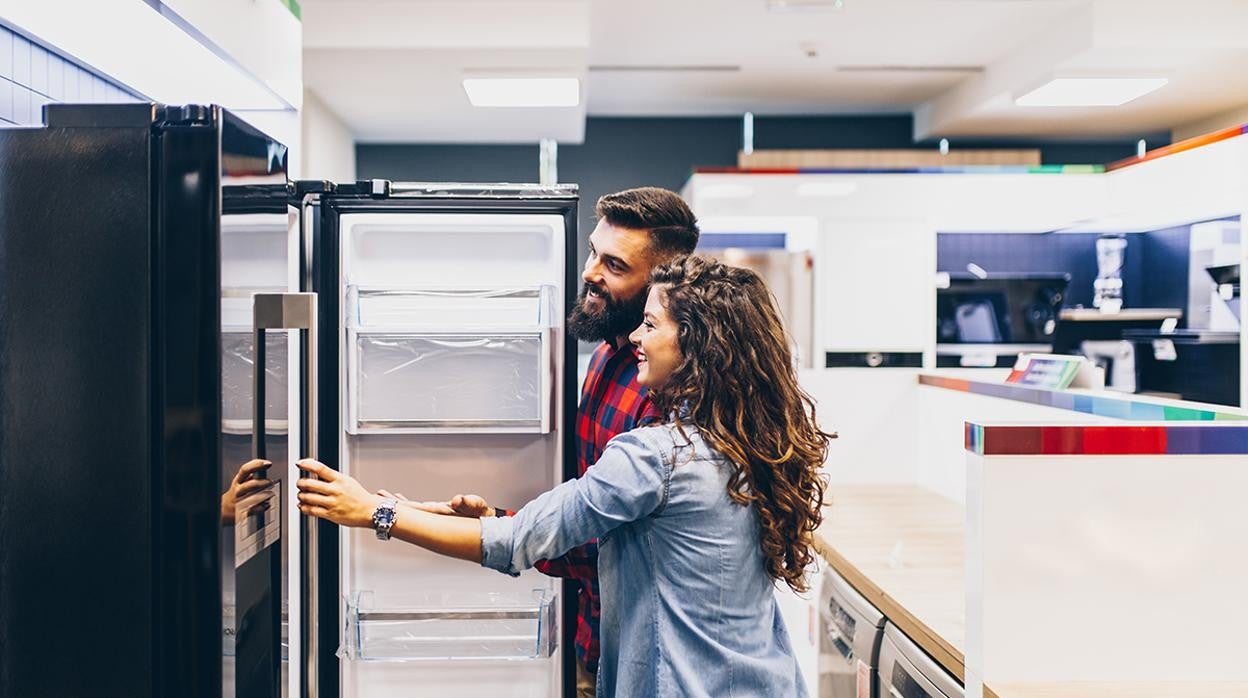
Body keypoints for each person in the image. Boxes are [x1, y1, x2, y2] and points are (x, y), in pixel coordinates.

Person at [296, 255, 833, 697]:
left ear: (696, 344)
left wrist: (377, 514)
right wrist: (439, 511)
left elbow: (515, 543)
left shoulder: (656, 457)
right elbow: (582, 528)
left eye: (651, 324)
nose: (636, 339)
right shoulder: (752, 443)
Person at [389, 186, 700, 697]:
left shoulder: (663, 392)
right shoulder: (603, 357)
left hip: (649, 652)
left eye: (615, 266)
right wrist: (496, 521)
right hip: (594, 633)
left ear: (659, 282)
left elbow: (605, 536)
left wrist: (493, 529)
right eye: (593, 252)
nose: (590, 273)